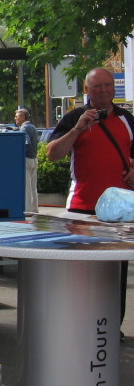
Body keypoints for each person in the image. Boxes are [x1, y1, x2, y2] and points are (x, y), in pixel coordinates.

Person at [46, 66, 134, 330]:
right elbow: (52, 154)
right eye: (97, 87)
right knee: (82, 270)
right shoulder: (75, 117)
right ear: (86, 90)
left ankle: (111, 328)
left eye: (108, 85)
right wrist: (78, 129)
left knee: (114, 274)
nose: (104, 91)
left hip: (120, 212)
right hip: (82, 209)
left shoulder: (127, 119)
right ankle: (80, 327)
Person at [14, 108, 40, 212]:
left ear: (23, 117)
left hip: (26, 158)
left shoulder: (24, 128)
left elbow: (26, 142)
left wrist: (19, 152)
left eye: (17, 116)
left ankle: (27, 210)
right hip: (34, 158)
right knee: (33, 186)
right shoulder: (33, 127)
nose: (15, 118)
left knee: (27, 187)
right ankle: (34, 209)